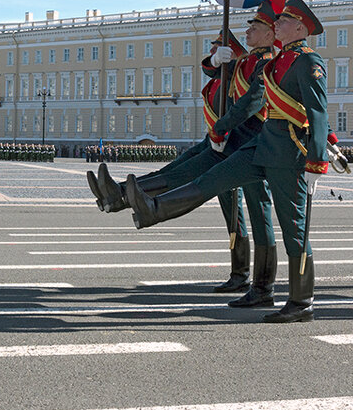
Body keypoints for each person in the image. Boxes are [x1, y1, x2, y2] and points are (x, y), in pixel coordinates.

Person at [126, 0, 329, 323]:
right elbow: (246, 95)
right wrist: (220, 125)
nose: (276, 24)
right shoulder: (272, 62)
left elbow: (318, 114)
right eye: (275, 21)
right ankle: (154, 209)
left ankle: (301, 300)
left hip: (289, 152)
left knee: (294, 229)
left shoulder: (309, 62)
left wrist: (317, 162)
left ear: (300, 27)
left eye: (283, 21)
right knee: (211, 180)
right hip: (262, 144)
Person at [89, 15, 275, 299]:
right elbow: (211, 71)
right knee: (207, 194)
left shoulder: (261, 63)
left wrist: (221, 129)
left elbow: (252, 103)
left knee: (256, 214)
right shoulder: (241, 66)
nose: (248, 30)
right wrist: (214, 62)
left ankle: (261, 284)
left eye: (255, 28)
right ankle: (125, 193)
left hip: (248, 144)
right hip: (226, 142)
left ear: (270, 34)